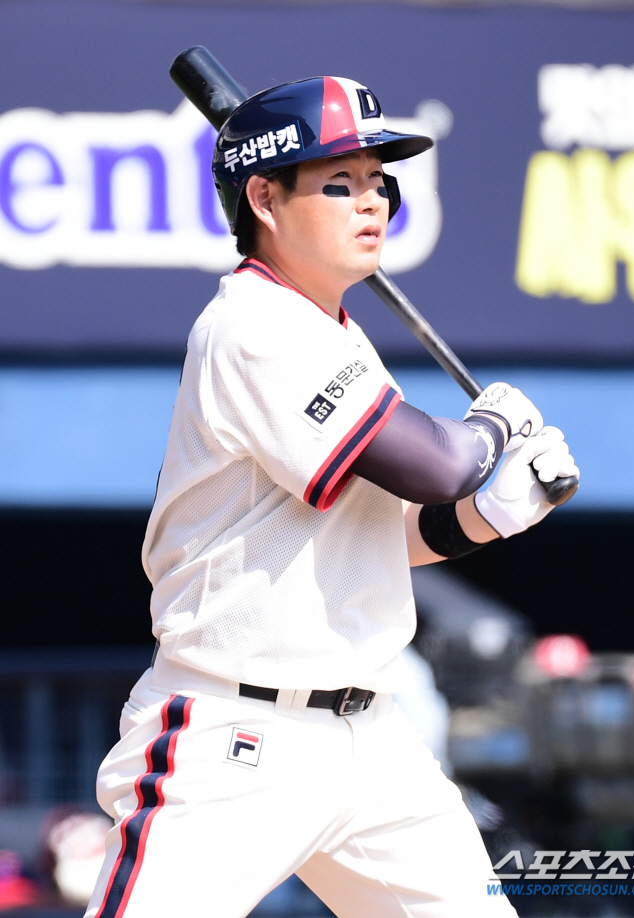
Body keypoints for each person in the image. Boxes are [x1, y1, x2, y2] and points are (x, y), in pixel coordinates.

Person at [85, 76, 578, 918]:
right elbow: (437, 464)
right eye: (340, 183)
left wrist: (492, 514)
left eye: (379, 181)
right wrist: (494, 426)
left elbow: (391, 530)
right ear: (264, 199)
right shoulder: (254, 325)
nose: (372, 201)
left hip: (370, 739)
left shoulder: (334, 337)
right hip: (234, 736)